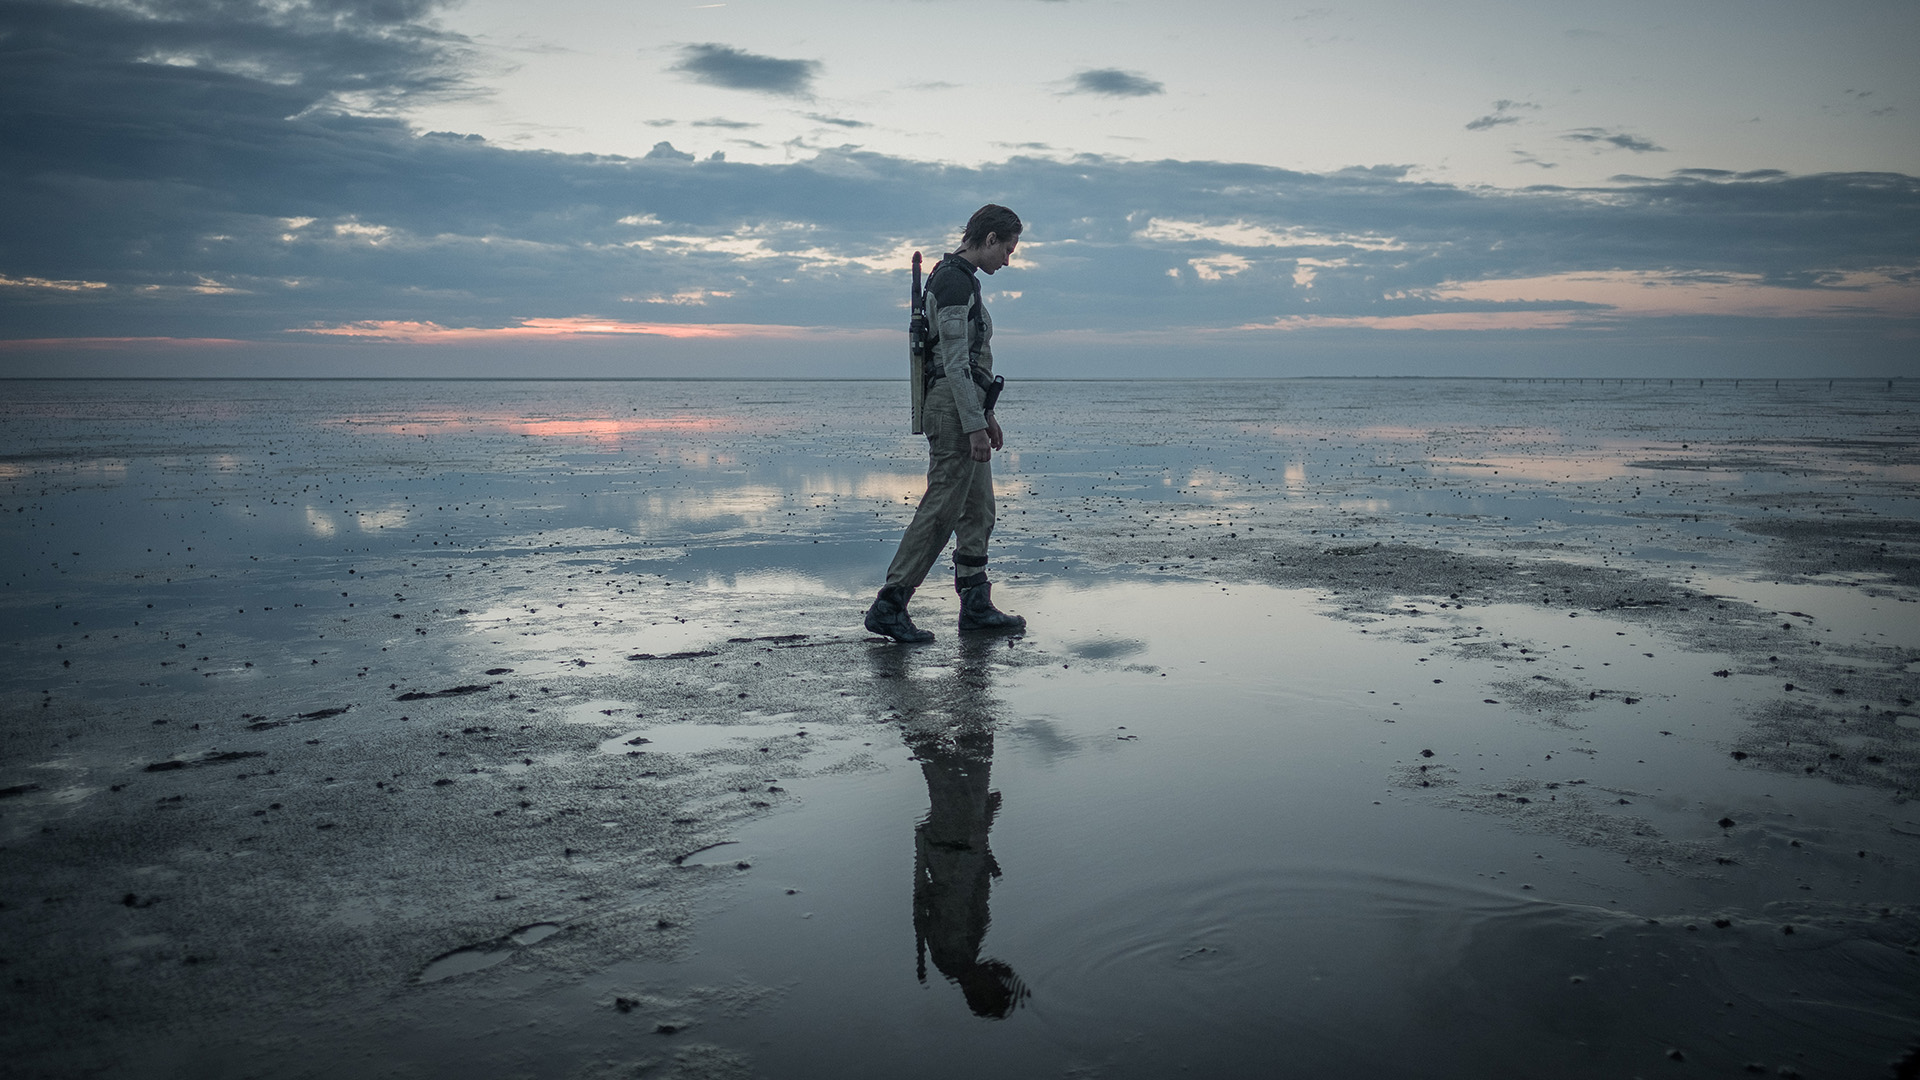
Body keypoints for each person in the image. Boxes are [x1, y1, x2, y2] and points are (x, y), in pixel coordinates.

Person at [865, 204, 1028, 643]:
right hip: (953, 410)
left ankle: (975, 604)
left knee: (979, 509)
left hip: (967, 406)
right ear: (990, 238)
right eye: (1008, 250)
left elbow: (968, 364)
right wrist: (974, 425)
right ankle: (890, 603)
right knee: (941, 508)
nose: (1008, 260)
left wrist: (987, 414)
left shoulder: (961, 279)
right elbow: (954, 364)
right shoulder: (954, 280)